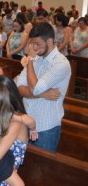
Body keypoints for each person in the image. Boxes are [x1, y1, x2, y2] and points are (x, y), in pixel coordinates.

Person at [16, 22, 71, 152]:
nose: (34, 48)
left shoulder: (61, 63)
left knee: (42, 170)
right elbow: (19, 87)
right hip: (26, 123)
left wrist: (29, 60)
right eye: (32, 44)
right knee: (25, 169)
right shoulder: (36, 58)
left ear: (50, 41)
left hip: (46, 127)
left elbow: (34, 88)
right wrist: (42, 94)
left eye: (37, 44)